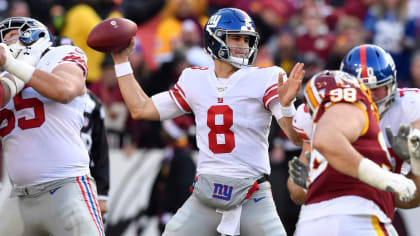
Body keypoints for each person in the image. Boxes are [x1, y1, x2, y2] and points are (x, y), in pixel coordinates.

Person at [111, 7, 304, 236]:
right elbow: (140, 108)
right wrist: (121, 60)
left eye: (247, 39)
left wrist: (285, 106)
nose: (244, 44)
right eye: (236, 38)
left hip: (252, 194)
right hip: (206, 195)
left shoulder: (266, 77)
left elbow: (295, 138)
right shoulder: (195, 78)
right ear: (215, 39)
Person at [0, 17, 104, 235]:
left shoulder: (58, 56)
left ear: (35, 36)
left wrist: (13, 64)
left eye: (12, 36)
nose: (5, 44)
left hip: (66, 187)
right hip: (19, 198)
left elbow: (64, 90)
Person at [292, 70, 416, 235]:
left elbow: (406, 198)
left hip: (313, 220)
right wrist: (383, 176)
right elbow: (327, 139)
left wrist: (417, 164)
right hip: (357, 218)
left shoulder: (345, 147)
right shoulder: (351, 103)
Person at [81, 90, 110, 217]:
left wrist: (101, 195)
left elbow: (100, 151)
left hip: (85, 177)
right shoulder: (47, 91)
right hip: (50, 176)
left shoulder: (93, 102)